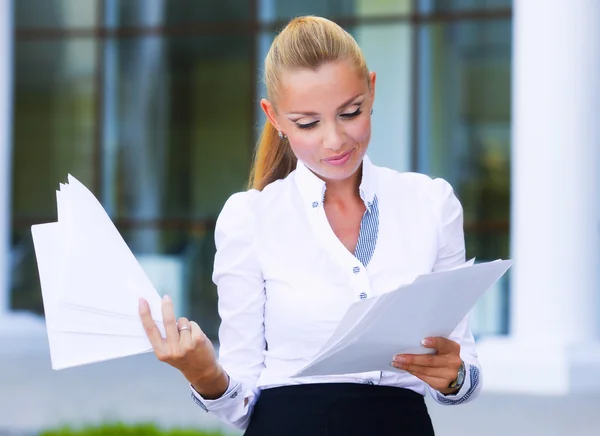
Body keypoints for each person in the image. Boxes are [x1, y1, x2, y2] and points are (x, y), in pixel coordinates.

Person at [139, 15, 481, 436]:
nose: (334, 140)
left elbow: (462, 371)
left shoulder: (432, 204)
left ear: (371, 90)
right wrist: (202, 372)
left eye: (350, 112)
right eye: (308, 123)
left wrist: (455, 376)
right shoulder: (249, 219)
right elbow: (241, 400)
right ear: (275, 118)